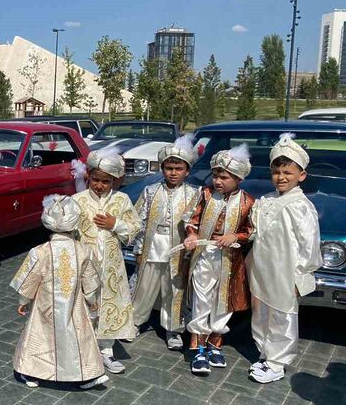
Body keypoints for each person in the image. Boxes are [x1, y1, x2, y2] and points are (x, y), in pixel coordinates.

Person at [11, 194, 109, 390]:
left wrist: (23, 300)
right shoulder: (84, 250)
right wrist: (92, 299)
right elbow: (89, 279)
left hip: (44, 306)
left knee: (39, 335)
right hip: (74, 304)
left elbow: (30, 278)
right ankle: (85, 373)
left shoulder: (39, 251)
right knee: (78, 336)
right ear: (74, 225)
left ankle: (30, 371)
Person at [246, 134, 322, 384]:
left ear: (301, 175)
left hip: (285, 271)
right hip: (261, 268)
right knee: (261, 312)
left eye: (288, 172)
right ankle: (266, 353)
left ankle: (278, 362)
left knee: (282, 314)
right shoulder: (266, 200)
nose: (281, 177)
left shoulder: (301, 206)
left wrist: (301, 274)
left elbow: (308, 244)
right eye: (277, 171)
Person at [183, 144, 254, 375]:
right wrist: (192, 234)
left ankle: (215, 344)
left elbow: (251, 230)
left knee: (223, 304)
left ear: (238, 178)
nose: (218, 181)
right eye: (215, 175)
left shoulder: (248, 202)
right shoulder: (204, 194)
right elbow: (191, 219)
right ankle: (197, 348)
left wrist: (235, 235)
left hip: (230, 260)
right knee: (201, 301)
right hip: (204, 256)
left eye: (224, 177)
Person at [72, 147, 141, 374]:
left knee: (108, 306)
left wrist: (115, 225)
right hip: (84, 264)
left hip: (111, 267)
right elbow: (67, 230)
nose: (100, 186)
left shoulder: (121, 201)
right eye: (95, 180)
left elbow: (134, 228)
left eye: (106, 181)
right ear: (87, 177)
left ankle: (106, 351)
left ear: (115, 180)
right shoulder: (78, 200)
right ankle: (82, 349)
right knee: (85, 304)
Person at [131, 136, 201, 351]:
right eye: (169, 168)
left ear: (187, 171)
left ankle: (174, 329)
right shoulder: (150, 192)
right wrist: (139, 248)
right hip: (153, 245)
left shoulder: (194, 193)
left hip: (177, 249)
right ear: (162, 169)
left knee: (174, 288)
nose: (173, 173)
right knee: (145, 286)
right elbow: (138, 221)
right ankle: (135, 322)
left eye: (178, 168)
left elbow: (195, 224)